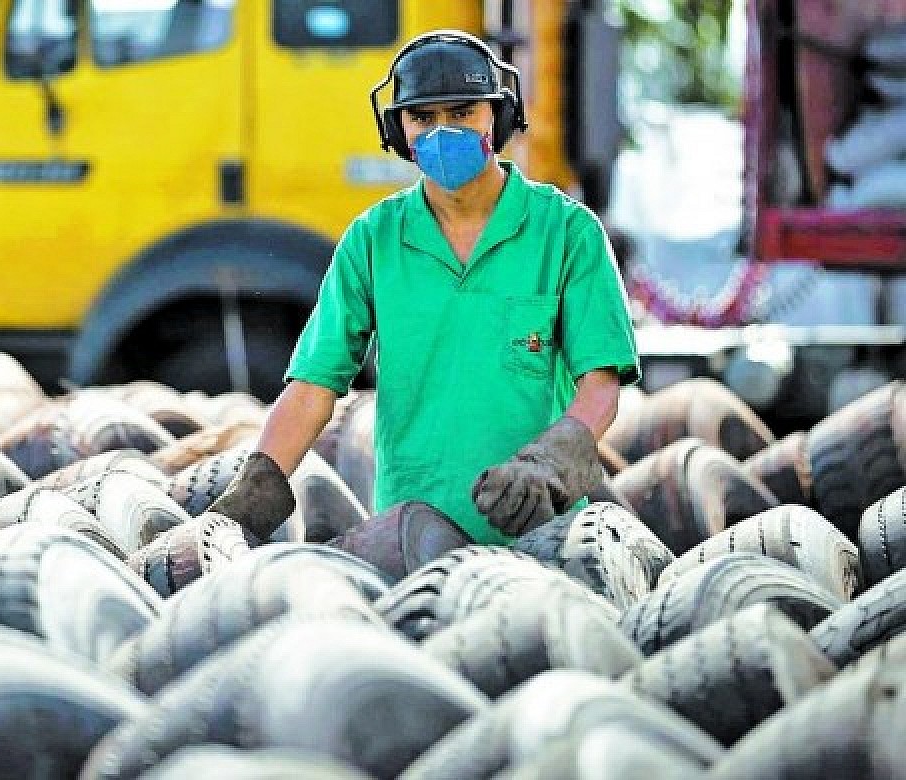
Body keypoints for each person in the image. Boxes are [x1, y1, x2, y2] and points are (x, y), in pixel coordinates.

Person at [209, 29, 640, 546]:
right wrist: (256, 489)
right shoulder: (372, 240)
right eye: (423, 117)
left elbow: (600, 389)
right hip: (411, 543)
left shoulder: (568, 233)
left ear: (499, 118)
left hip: (544, 536)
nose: (443, 131)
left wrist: (547, 464)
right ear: (398, 131)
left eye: (462, 113)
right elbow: (311, 390)